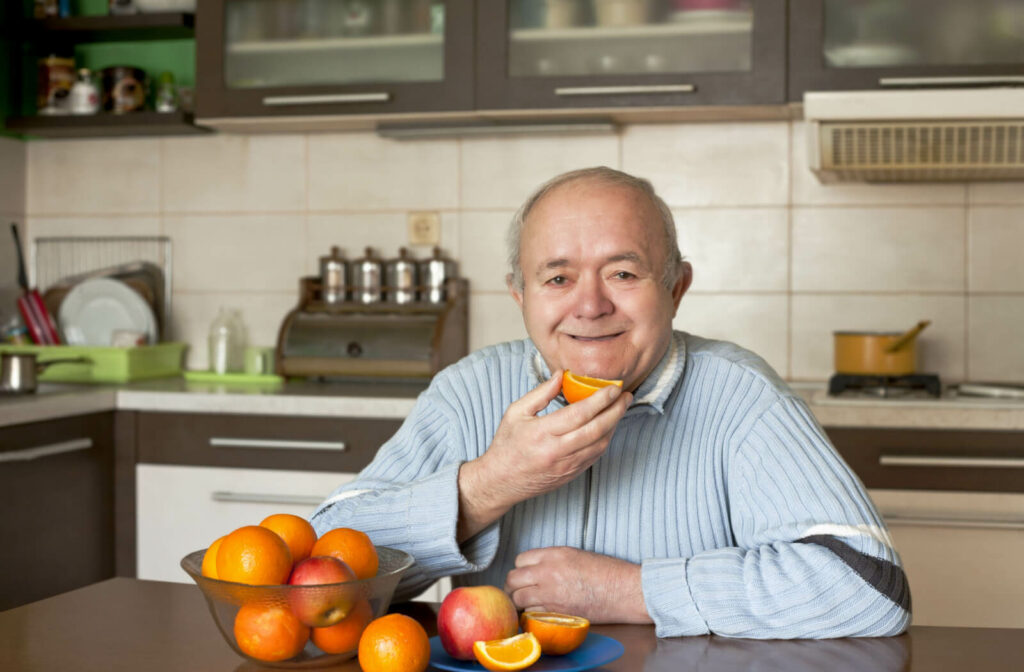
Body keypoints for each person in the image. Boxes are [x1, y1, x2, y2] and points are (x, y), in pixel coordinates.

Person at [311, 167, 911, 639]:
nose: (590, 305)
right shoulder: (466, 391)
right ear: (520, 296)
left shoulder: (743, 394)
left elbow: (868, 587)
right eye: (557, 279)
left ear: (676, 289)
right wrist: (491, 484)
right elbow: (316, 580)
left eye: (623, 274)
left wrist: (632, 592)